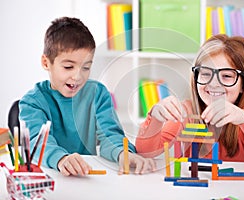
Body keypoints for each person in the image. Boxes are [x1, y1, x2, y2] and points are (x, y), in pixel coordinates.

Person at [19, 17, 156, 176]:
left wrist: (123, 154)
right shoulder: (32, 102)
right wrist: (62, 159)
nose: (78, 76)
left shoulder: (97, 94)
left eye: (86, 67)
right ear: (46, 63)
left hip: (87, 177)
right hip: (50, 177)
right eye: (68, 67)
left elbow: (110, 135)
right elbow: (38, 142)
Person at [135, 34, 244, 168]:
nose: (214, 84)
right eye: (206, 74)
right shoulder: (187, 112)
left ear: (243, 84)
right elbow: (145, 152)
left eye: (227, 76)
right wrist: (155, 118)